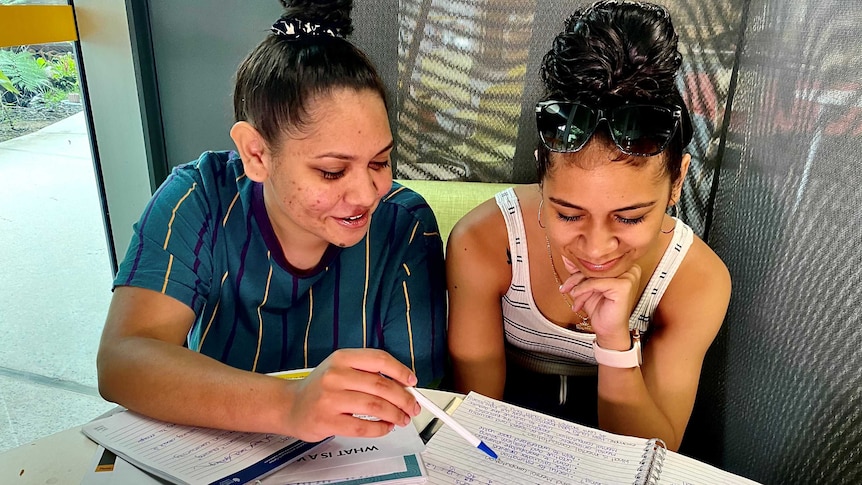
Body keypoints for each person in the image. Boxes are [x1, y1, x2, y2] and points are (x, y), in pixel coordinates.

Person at [96, 0, 446, 443]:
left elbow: (422, 401)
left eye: (379, 161)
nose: (366, 193)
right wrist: (290, 404)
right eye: (332, 171)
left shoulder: (404, 227)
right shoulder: (199, 198)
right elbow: (123, 359)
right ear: (256, 154)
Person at [446, 0, 730, 451]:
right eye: (568, 213)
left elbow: (653, 450)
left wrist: (616, 342)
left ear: (677, 183)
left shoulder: (696, 280)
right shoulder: (483, 242)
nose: (596, 248)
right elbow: (476, 426)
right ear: (541, 172)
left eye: (631, 217)